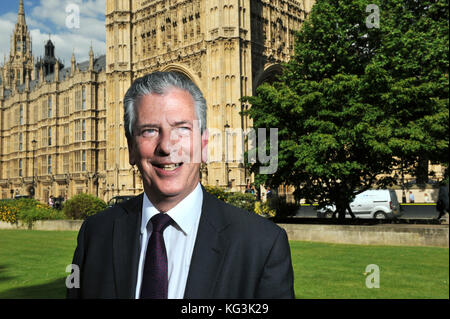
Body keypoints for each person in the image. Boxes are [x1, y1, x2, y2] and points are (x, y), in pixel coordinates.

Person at [67, 72, 294, 299]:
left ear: (204, 145)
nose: (167, 146)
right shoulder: (94, 235)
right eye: (150, 131)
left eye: (183, 129)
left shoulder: (263, 245)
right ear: (131, 149)